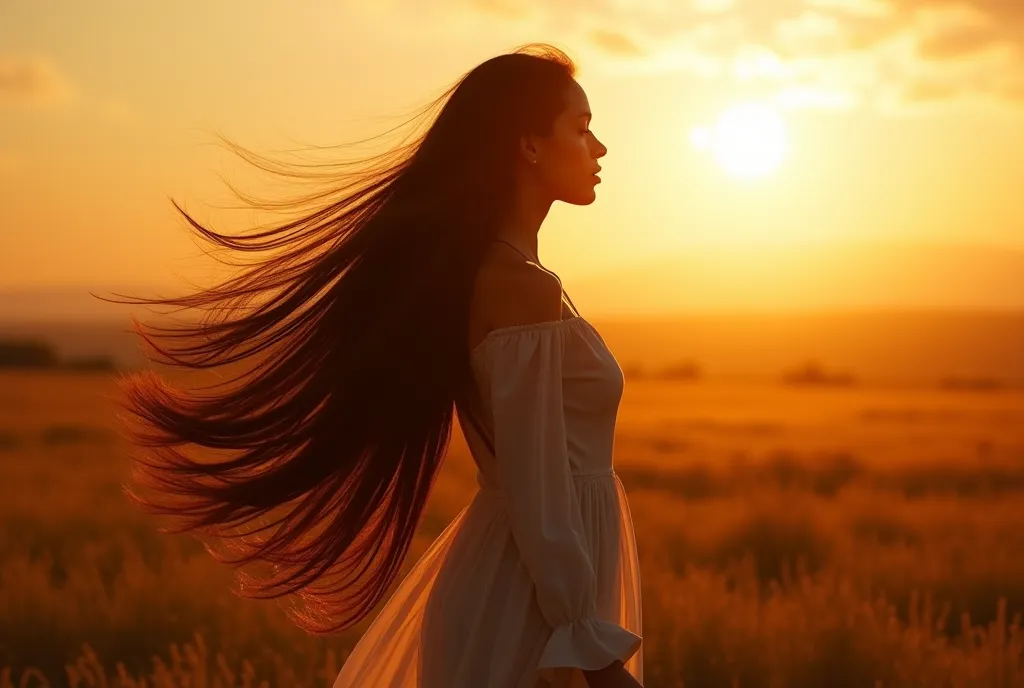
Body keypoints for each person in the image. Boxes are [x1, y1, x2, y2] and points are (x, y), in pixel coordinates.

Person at [103, 43, 642, 688]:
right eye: (581, 129)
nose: (599, 148)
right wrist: (595, 651)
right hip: (531, 604)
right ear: (528, 146)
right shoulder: (516, 287)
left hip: (536, 584)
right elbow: (537, 492)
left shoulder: (513, 280)